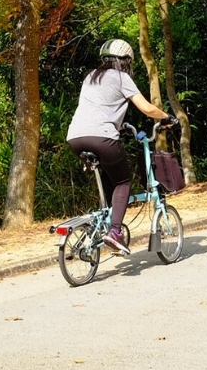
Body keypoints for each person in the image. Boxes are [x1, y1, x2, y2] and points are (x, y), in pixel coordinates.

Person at [66, 38, 174, 256]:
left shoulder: (90, 77)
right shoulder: (122, 77)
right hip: (102, 137)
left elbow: (97, 108)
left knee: (110, 179)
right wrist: (166, 118)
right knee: (123, 181)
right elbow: (147, 108)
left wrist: (120, 125)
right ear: (126, 61)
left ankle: (104, 223)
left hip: (75, 137)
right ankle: (115, 231)